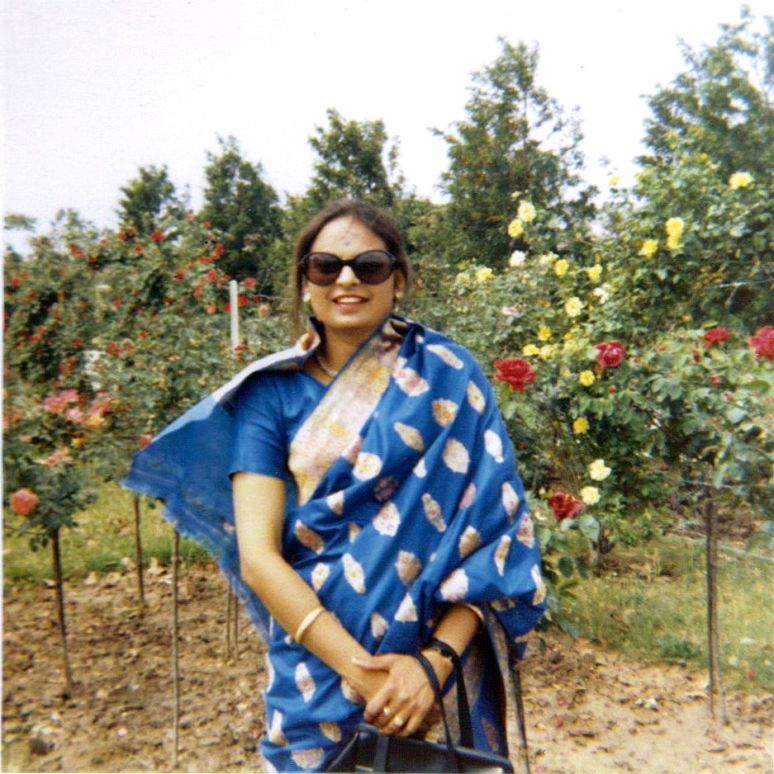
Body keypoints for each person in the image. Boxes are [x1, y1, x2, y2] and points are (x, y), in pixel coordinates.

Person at [123, 199, 545, 772]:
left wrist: (433, 665)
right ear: (305, 284)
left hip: (441, 675)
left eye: (369, 266)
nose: (347, 280)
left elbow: (497, 537)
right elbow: (258, 559)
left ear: (399, 281)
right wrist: (364, 673)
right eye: (325, 267)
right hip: (318, 673)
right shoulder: (269, 394)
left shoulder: (449, 374)